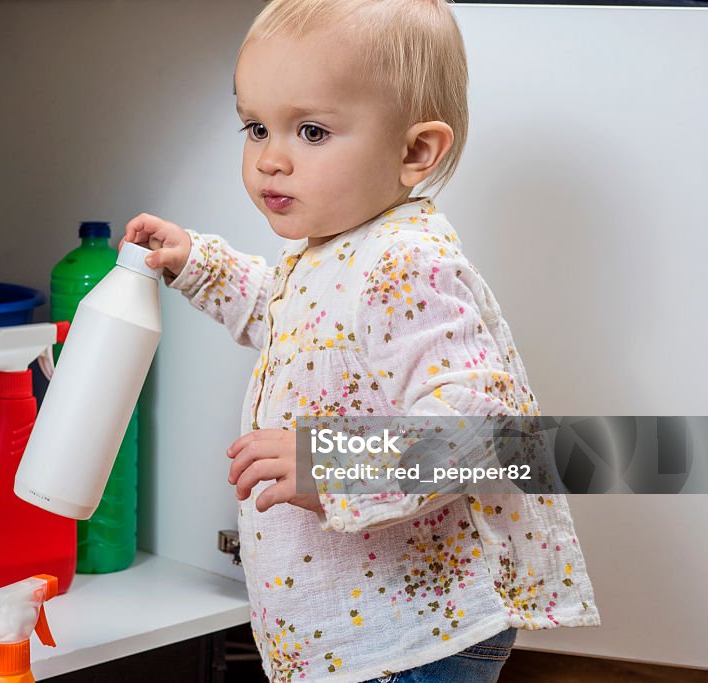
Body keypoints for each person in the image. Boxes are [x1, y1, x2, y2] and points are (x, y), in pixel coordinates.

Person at [122, 1, 600, 680]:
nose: (271, 159)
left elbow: (476, 430)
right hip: (370, 627)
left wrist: (331, 462)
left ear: (414, 152)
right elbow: (293, 324)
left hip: (414, 636)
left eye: (311, 131)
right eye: (256, 126)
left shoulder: (404, 261)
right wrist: (199, 262)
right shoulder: (334, 253)